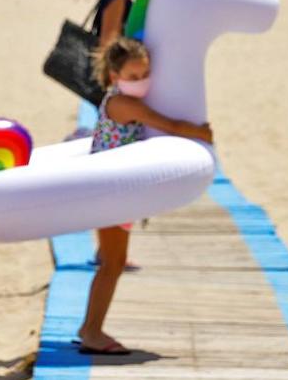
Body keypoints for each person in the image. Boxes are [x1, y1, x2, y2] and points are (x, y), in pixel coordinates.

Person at [77, 36, 213, 356]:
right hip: (110, 191)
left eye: (144, 76)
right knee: (112, 264)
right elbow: (168, 125)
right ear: (115, 77)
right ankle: (91, 330)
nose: (141, 82)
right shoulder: (125, 104)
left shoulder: (118, 97)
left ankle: (91, 328)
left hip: (117, 190)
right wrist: (202, 132)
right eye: (133, 77)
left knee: (115, 261)